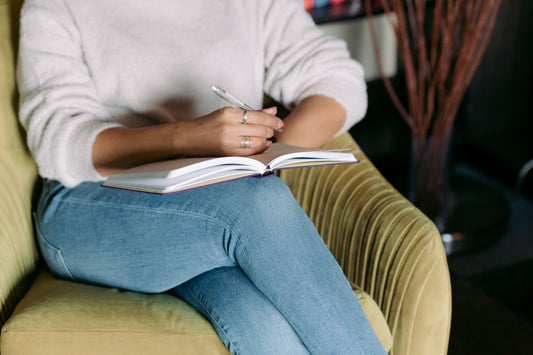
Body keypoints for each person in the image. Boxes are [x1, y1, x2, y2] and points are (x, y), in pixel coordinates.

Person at [17, 0, 386, 354]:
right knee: (258, 200)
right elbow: (56, 141)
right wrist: (186, 137)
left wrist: (267, 155)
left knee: (262, 324)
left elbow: (337, 80)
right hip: (91, 205)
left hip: (210, 205)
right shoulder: (57, 3)